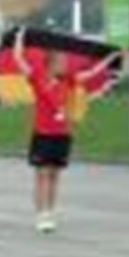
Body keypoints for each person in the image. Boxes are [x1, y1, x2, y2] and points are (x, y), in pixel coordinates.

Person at [25, 46, 75, 233]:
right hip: (43, 133)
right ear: (51, 63)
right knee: (42, 174)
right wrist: (19, 42)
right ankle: (41, 214)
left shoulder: (67, 81)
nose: (65, 64)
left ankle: (50, 212)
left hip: (61, 133)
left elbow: (88, 75)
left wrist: (107, 60)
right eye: (62, 61)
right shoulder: (39, 78)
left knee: (54, 175)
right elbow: (21, 64)